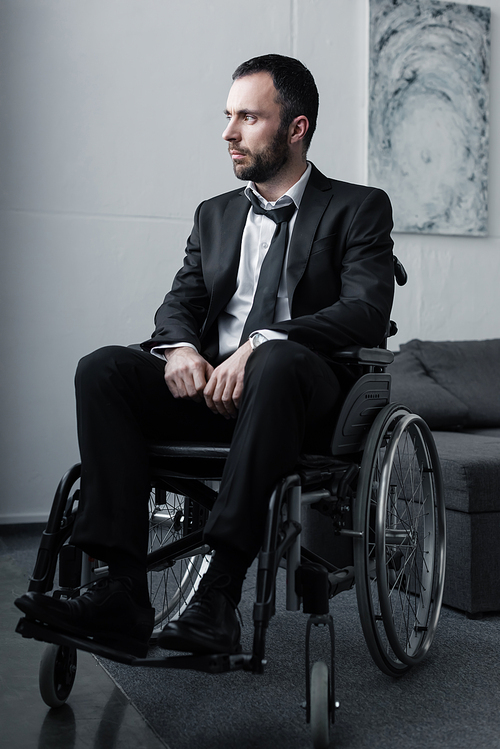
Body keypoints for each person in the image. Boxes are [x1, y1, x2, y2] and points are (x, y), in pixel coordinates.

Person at [16, 54, 394, 658]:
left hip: (302, 398)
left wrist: (266, 341)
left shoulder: (358, 207)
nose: (228, 132)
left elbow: (366, 311)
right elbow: (179, 303)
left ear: (296, 129)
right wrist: (183, 349)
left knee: (275, 361)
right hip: (213, 393)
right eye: (227, 116)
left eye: (248, 117)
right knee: (103, 368)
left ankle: (218, 596)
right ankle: (121, 590)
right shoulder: (214, 214)